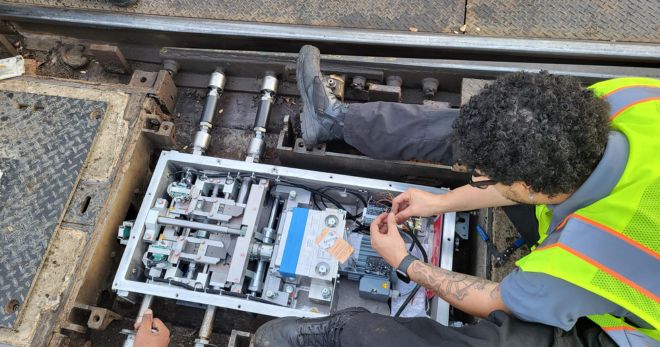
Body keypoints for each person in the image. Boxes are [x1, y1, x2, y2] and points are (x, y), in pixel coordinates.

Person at [252, 45, 660, 346]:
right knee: (506, 127)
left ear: (536, 190)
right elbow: (531, 160)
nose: (476, 178)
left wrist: (406, 263)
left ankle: (343, 335)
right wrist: (440, 203)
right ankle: (333, 121)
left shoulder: (586, 260)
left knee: (518, 342)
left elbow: (499, 299)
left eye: (485, 180)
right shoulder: (631, 99)